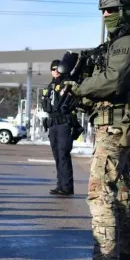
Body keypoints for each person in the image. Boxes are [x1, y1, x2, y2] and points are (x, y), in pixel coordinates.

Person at [64, 0, 130, 260]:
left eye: (111, 10)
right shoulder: (117, 44)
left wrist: (80, 88)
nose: (106, 16)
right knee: (121, 191)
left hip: (114, 127)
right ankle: (127, 257)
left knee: (100, 192)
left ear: (127, 10)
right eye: (103, 11)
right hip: (112, 124)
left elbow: (115, 80)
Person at [42, 60, 77, 196]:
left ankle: (67, 187)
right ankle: (60, 185)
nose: (55, 71)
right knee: (57, 156)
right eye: (53, 69)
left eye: (58, 69)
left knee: (63, 155)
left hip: (64, 124)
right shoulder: (50, 86)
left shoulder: (67, 83)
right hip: (53, 124)